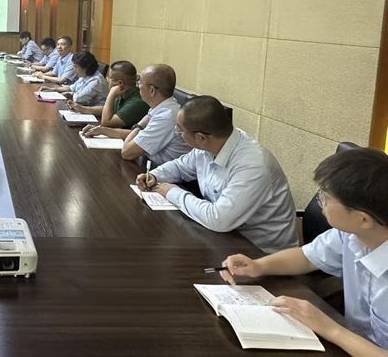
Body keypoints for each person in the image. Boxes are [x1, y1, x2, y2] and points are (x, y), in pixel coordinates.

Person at [220, 148, 388, 354]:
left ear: (363, 219)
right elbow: (307, 258)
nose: (320, 201)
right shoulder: (353, 234)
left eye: (326, 197)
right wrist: (259, 266)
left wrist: (330, 328)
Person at [137, 95, 296, 254]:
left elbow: (219, 219)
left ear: (200, 137)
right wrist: (155, 175)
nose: (177, 133)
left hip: (261, 253)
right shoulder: (209, 145)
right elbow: (180, 167)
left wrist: (172, 192)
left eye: (180, 130)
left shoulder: (253, 166)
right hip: (224, 238)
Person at [120, 64, 189, 164]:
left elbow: (127, 153)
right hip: (150, 164)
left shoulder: (166, 117)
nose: (138, 86)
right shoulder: (165, 105)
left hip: (161, 170)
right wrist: (106, 131)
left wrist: (139, 126)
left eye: (140, 82)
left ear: (151, 90)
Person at [79, 60, 149, 139]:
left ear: (120, 83)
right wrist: (83, 109)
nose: (107, 80)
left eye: (109, 78)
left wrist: (111, 94)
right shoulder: (124, 92)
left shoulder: (137, 102)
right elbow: (109, 109)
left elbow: (106, 123)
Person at [42, 51, 108, 106]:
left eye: (76, 67)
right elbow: (71, 87)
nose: (74, 69)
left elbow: (79, 99)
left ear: (86, 67)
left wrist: (71, 94)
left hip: (93, 113)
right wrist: (53, 89)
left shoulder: (96, 81)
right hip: (81, 107)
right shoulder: (85, 75)